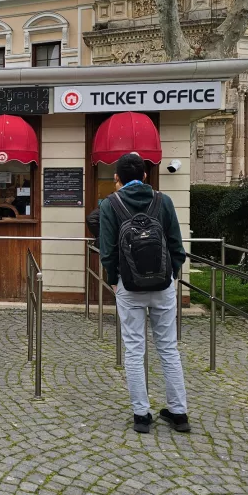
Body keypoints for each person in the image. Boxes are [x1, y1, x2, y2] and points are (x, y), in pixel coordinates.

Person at [98, 152, 189, 434]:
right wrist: (171, 273)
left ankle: (141, 414)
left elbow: (108, 250)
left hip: (128, 285)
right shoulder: (164, 201)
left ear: (117, 178)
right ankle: (179, 412)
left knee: (134, 349)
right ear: (146, 176)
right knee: (168, 348)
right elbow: (176, 244)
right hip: (163, 285)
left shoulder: (109, 204)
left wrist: (113, 280)